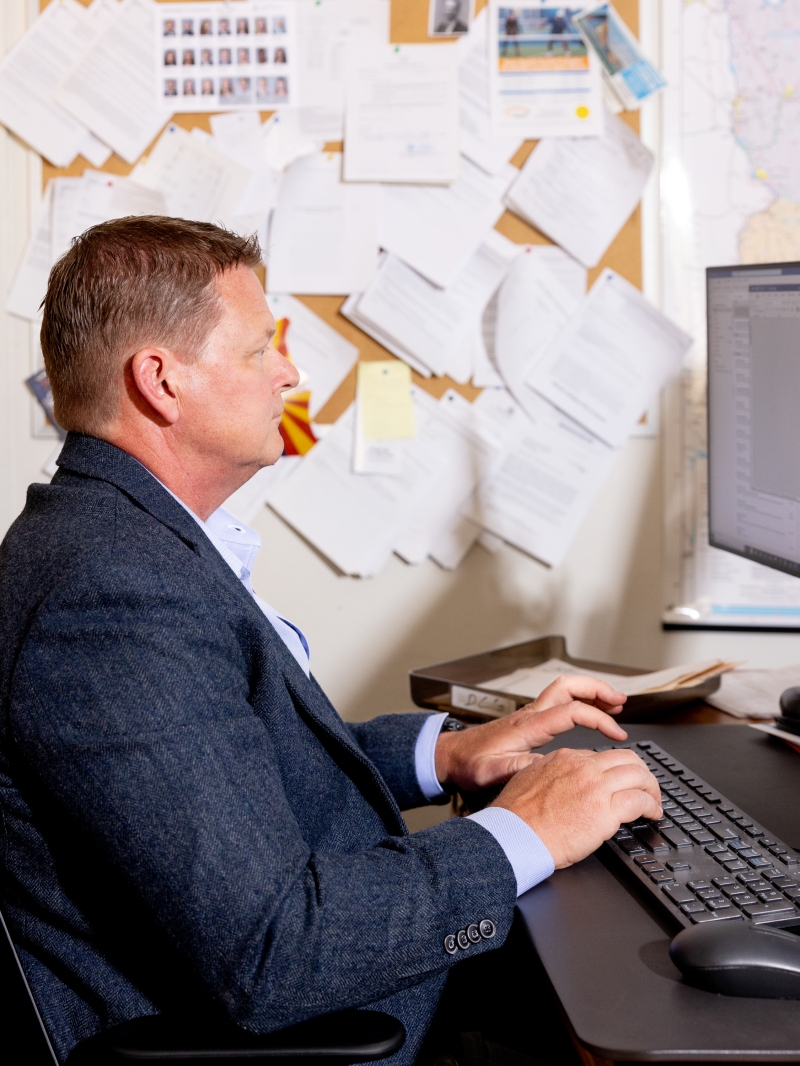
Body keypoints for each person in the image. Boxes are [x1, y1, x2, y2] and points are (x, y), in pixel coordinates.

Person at [0, 218, 661, 1065]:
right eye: (259, 349)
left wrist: (447, 756)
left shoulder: (123, 540)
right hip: (322, 1035)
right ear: (161, 382)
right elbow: (276, 954)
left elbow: (229, 772)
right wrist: (526, 832)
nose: (290, 372)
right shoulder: (110, 597)